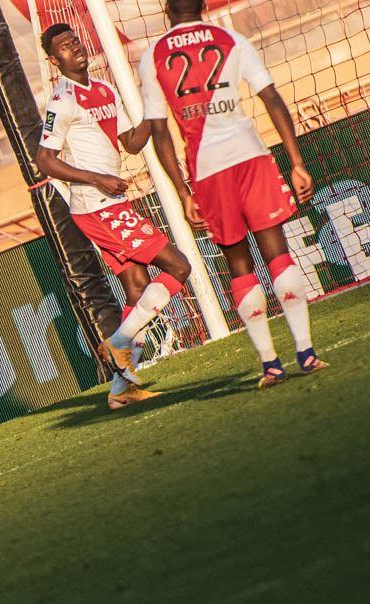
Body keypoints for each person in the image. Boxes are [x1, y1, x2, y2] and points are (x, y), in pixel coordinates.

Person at [140, 0, 327, 387]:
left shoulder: (153, 55)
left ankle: (270, 365)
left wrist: (182, 193)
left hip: (207, 170)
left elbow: (159, 132)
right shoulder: (230, 38)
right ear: (203, 5)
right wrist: (296, 161)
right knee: (278, 254)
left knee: (239, 266)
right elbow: (271, 97)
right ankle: (306, 353)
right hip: (250, 156)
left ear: (166, 10)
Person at [35, 23, 193, 409]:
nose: (75, 47)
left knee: (136, 288)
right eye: (64, 46)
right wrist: (97, 179)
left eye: (75, 40)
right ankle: (119, 343)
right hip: (96, 205)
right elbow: (45, 161)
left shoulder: (104, 90)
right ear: (54, 60)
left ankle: (122, 390)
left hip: (111, 203)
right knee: (179, 267)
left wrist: (153, 110)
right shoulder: (61, 100)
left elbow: (132, 143)